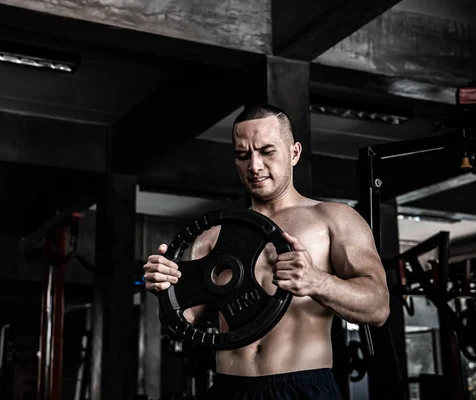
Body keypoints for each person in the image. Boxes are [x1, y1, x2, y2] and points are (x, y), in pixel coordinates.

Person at [143, 104, 390, 399]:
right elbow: (179, 327)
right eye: (243, 155)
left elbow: (378, 307)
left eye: (267, 151)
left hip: (301, 388)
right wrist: (166, 292)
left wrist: (317, 281)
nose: (255, 166)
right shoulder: (212, 235)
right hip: (228, 388)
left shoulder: (333, 219)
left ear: (294, 153)